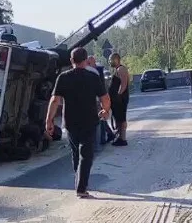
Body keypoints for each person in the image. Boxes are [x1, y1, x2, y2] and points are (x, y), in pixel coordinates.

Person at [45, 47, 111, 198]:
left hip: (70, 122)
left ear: (71, 60)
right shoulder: (93, 77)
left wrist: (49, 120)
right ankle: (81, 187)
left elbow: (55, 100)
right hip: (89, 120)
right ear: (86, 60)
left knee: (76, 154)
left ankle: (79, 181)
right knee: (86, 155)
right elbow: (105, 98)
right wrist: (105, 110)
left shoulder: (63, 77)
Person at [108, 52, 130, 146]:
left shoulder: (121, 69)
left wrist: (118, 95)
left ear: (116, 59)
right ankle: (120, 137)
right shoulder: (117, 69)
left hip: (120, 99)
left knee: (121, 118)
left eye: (111, 60)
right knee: (118, 118)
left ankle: (123, 138)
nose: (109, 62)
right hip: (117, 99)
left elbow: (123, 84)